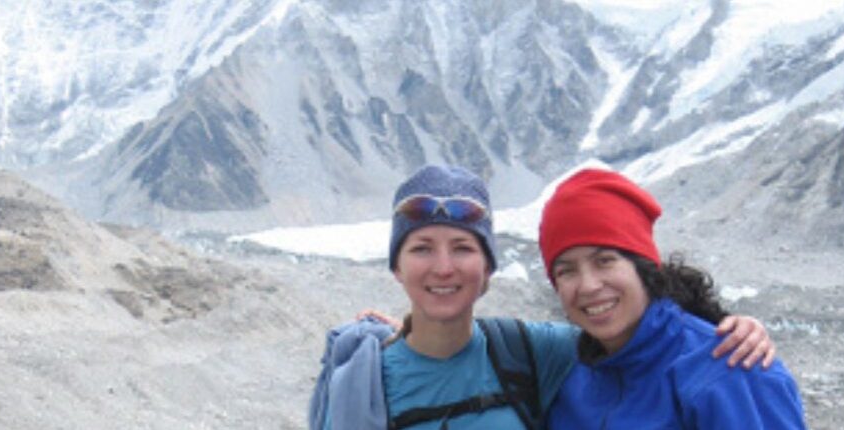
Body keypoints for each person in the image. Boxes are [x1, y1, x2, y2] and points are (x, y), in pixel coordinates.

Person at [310, 164, 775, 430]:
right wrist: (407, 340)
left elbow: (655, 345)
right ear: (396, 266)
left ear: (489, 267)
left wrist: (726, 329)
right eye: (421, 249)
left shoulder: (537, 352)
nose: (444, 267)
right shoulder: (363, 379)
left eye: (464, 248)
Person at [538, 168, 806, 429]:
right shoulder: (567, 373)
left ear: (643, 267)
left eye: (605, 261)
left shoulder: (730, 369)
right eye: (566, 270)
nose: (588, 285)